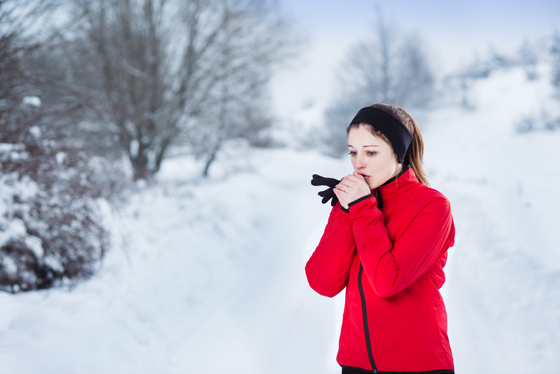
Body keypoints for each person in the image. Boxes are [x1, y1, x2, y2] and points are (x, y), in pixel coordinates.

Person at [306, 103, 455, 374]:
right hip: (356, 364)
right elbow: (322, 282)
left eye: (371, 152)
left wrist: (362, 208)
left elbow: (387, 281)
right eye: (353, 152)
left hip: (417, 365)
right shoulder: (354, 204)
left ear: (398, 153)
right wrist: (344, 209)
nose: (358, 163)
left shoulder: (432, 206)